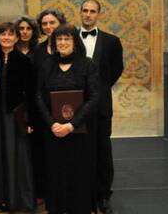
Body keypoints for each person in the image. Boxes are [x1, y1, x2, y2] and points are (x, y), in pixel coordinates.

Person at [35, 24, 101, 214]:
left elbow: (94, 97)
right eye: (59, 39)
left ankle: (79, 207)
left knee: (79, 170)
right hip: (53, 130)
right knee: (55, 170)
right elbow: (38, 96)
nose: (62, 43)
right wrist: (52, 123)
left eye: (67, 39)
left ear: (75, 41)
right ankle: (56, 207)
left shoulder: (88, 64)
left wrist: (72, 125)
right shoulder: (47, 65)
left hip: (80, 131)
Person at [0, 22, 34, 212]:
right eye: (3, 34)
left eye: (11, 35)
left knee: (16, 155)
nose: (6, 38)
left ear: (17, 38)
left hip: (16, 116)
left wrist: (30, 120)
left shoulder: (24, 61)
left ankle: (15, 198)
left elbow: (30, 93)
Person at [79, 0, 124, 214]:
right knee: (80, 150)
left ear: (98, 15)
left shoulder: (112, 41)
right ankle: (83, 192)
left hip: (101, 106)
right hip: (75, 105)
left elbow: (116, 70)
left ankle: (103, 194)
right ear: (80, 13)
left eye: (92, 11)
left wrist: (99, 90)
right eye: (85, 11)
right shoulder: (69, 39)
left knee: (103, 150)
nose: (88, 15)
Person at [32, 9, 66, 203]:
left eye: (52, 22)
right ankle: (45, 192)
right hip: (44, 110)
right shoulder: (38, 50)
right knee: (43, 152)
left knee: (65, 153)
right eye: (44, 24)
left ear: (60, 23)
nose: (48, 27)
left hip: (67, 108)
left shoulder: (71, 46)